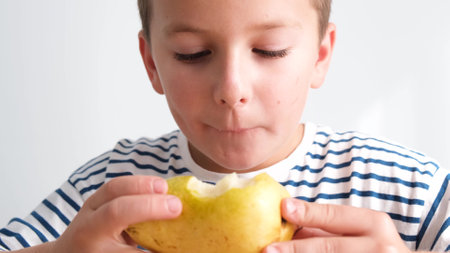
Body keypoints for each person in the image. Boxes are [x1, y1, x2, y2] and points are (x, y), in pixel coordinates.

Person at [1, 0, 449, 252]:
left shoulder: (408, 188)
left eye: (270, 50)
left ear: (320, 55)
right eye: (192, 53)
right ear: (152, 64)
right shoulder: (113, 191)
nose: (231, 89)